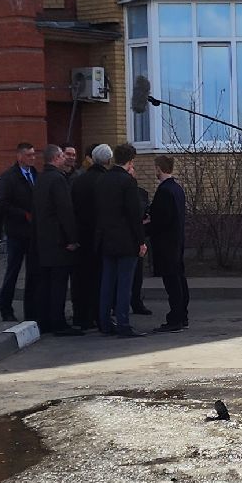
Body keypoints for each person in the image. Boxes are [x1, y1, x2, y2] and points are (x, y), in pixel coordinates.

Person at [93, 144, 148, 338]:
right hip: (126, 241)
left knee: (107, 282)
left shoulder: (103, 179)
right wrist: (141, 241)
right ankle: (123, 323)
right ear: (131, 160)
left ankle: (105, 323)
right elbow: (133, 214)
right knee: (125, 283)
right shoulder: (127, 182)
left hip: (106, 239)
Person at [33, 145, 81, 335]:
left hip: (43, 239)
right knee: (59, 284)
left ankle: (44, 320)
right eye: (62, 156)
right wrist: (72, 238)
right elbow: (65, 211)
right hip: (59, 241)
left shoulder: (41, 179)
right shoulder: (58, 180)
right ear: (55, 158)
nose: (65, 159)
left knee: (46, 283)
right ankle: (58, 322)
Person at [0, 142, 40, 322]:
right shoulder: (9, 177)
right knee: (13, 270)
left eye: (34, 154)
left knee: (34, 272)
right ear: (19, 156)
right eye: (29, 155)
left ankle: (32, 309)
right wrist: (24, 214)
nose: (33, 158)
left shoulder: (35, 174)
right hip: (16, 232)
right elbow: (2, 204)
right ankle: (6, 308)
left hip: (33, 232)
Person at [69, 144, 114, 328]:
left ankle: (81, 316)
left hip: (81, 235)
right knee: (100, 278)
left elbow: (72, 208)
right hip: (100, 237)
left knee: (81, 278)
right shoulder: (107, 181)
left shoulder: (79, 180)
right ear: (108, 161)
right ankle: (99, 314)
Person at [147, 154, 190, 332]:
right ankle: (182, 315)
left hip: (166, 243)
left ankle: (175, 319)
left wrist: (148, 224)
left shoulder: (164, 191)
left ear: (159, 168)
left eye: (155, 168)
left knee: (172, 282)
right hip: (177, 240)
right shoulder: (177, 189)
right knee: (179, 279)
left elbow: (161, 219)